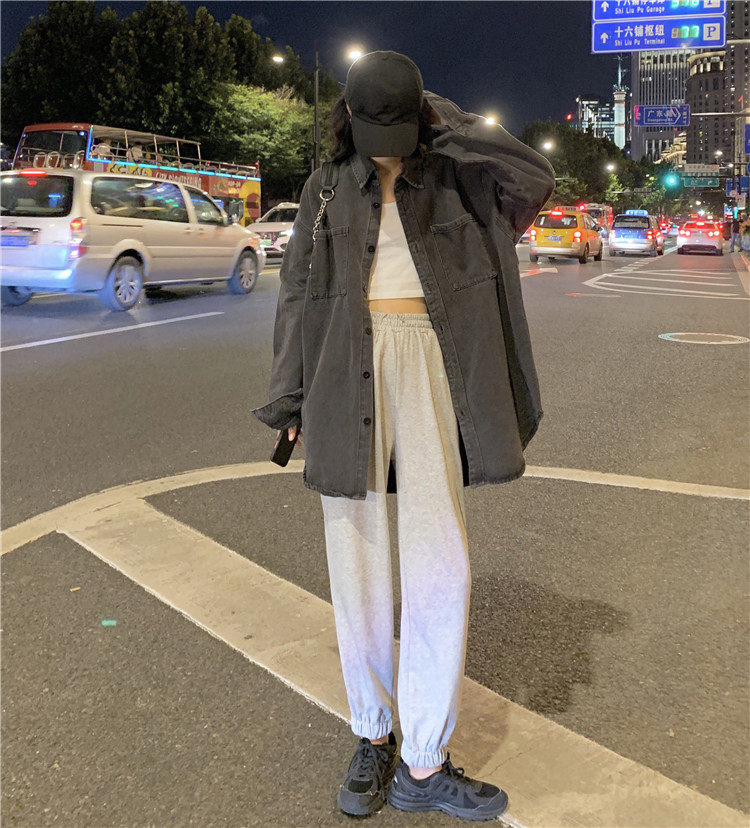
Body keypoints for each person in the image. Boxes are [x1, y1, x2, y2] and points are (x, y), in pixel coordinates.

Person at [251, 50, 554, 821]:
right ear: (348, 119)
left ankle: (423, 758)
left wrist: (443, 122)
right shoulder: (326, 186)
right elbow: (297, 295)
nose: (386, 147)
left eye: (400, 126)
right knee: (356, 563)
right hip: (343, 364)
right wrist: (288, 395)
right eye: (373, 128)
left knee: (439, 561)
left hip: (432, 358)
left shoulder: (459, 175)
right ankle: (372, 732)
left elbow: (533, 179)